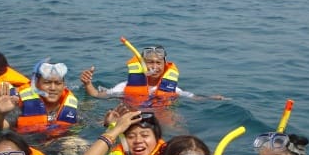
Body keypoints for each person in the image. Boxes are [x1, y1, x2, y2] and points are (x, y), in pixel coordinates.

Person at [80, 45, 225, 108]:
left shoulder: (173, 89)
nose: (154, 66)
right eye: (149, 62)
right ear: (142, 65)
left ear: (165, 66)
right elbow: (98, 95)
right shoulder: (124, 86)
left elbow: (193, 98)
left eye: (158, 62)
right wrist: (87, 84)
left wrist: (211, 98)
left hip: (161, 117)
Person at [0, 59, 78, 135]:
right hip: (29, 147)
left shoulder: (71, 108)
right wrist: (0, 114)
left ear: (63, 85)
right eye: (47, 83)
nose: (53, 88)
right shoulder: (22, 106)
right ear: (36, 84)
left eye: (58, 83)